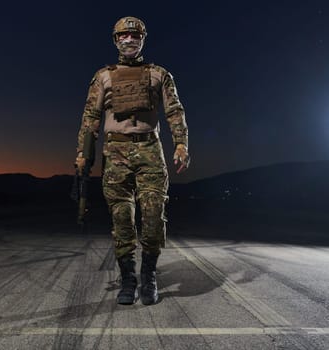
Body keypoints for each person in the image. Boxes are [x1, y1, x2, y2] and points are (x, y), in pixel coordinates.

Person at [75, 16, 190, 305]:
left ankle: (148, 275)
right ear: (116, 41)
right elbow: (90, 117)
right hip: (115, 153)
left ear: (142, 39)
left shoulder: (159, 74)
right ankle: (128, 279)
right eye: (123, 36)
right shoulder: (103, 76)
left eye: (134, 35)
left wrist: (181, 144)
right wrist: (82, 154)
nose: (129, 40)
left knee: (152, 218)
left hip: (150, 150)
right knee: (122, 219)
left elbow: (174, 110)